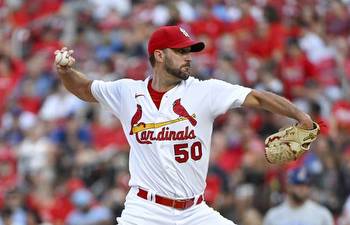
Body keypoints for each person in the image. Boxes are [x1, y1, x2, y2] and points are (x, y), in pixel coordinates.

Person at [54, 25, 315, 225]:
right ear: (159, 55)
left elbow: (257, 97)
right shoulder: (126, 92)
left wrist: (300, 116)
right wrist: (66, 72)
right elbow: (85, 88)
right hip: (145, 210)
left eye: (188, 51)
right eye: (180, 51)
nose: (188, 57)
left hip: (194, 212)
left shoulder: (205, 91)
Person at [263, 167, 334, 225]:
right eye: (298, 184)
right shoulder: (273, 216)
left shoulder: (322, 214)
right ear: (288, 187)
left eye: (306, 185)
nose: (303, 189)